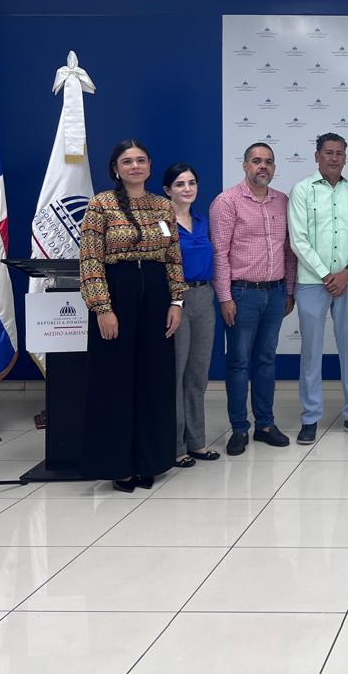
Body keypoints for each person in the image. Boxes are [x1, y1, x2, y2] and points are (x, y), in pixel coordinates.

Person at [79, 139, 185, 492]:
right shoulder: (101, 205)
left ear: (150, 166)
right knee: (116, 382)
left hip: (156, 296)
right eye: (127, 161)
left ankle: (150, 459)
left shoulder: (163, 206)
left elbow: (173, 257)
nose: (135, 166)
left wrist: (176, 302)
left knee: (154, 380)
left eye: (141, 160)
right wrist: (102, 308)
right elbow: (90, 260)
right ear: (116, 168)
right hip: (117, 295)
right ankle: (118, 464)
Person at [210, 142, 297, 456]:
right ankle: (238, 428)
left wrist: (289, 290)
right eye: (257, 161)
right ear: (245, 165)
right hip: (241, 294)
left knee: (266, 360)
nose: (263, 166)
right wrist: (224, 297)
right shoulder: (227, 202)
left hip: (275, 293)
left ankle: (265, 424)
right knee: (238, 362)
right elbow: (219, 254)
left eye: (268, 162)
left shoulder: (283, 201)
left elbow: (289, 251)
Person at [288, 133, 348, 443]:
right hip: (313, 282)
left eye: (339, 153)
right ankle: (310, 417)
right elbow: (298, 240)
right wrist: (326, 275)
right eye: (328, 152)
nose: (334, 158)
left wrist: (347, 272)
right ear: (317, 156)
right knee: (311, 352)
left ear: (345, 158)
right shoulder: (302, 190)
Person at [164, 162, 219, 467]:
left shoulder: (202, 221)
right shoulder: (163, 223)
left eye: (192, 183)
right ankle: (175, 445)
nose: (187, 189)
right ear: (167, 190)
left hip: (204, 296)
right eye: (180, 184)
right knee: (176, 373)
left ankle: (196, 440)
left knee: (198, 373)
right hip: (176, 300)